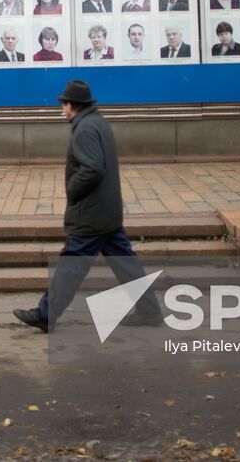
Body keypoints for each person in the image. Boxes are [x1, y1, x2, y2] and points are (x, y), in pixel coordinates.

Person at [14, 80, 162, 334]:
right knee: (126, 263)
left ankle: (45, 314)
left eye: (63, 104)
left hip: (91, 214)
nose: (62, 109)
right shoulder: (98, 122)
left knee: (71, 265)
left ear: (72, 105)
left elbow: (92, 168)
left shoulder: (84, 129)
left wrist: (72, 189)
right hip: (107, 212)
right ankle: (149, 311)